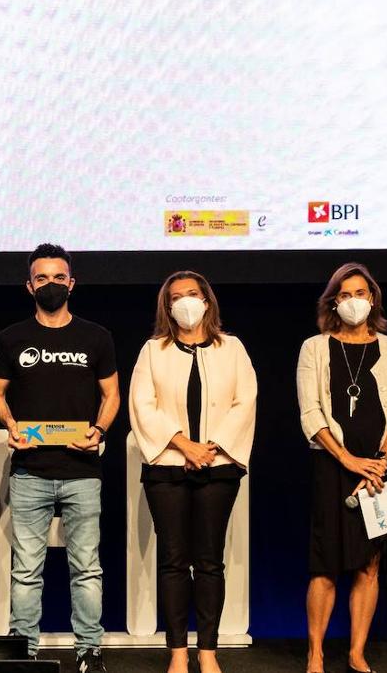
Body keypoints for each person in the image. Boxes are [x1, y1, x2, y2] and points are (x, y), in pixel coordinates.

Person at [0, 243, 119, 673]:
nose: (50, 285)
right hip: (30, 471)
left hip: (83, 471)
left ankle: (89, 651)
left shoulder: (96, 336)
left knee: (87, 568)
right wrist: (11, 425)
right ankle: (23, 651)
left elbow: (112, 395)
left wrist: (98, 431)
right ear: (29, 286)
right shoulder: (12, 338)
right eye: (41, 278)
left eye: (58, 277)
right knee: (26, 569)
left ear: (71, 283)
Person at [128, 271, 257, 673]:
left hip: (217, 468)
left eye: (193, 295)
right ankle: (179, 654)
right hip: (167, 467)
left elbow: (245, 400)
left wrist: (210, 448)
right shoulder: (154, 350)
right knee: (172, 561)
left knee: (209, 561)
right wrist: (184, 445)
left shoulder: (232, 348)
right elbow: (142, 405)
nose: (186, 302)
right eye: (177, 297)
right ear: (167, 307)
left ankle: (208, 653)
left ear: (207, 301)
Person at [297, 262, 387, 673]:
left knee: (369, 563)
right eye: (344, 295)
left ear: (372, 298)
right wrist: (349, 460)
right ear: (333, 301)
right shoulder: (315, 347)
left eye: (360, 293)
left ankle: (356, 653)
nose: (352, 301)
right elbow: (311, 414)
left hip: (381, 470)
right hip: (333, 465)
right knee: (325, 563)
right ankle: (316, 654)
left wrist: (378, 464)